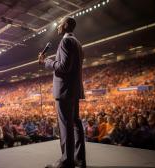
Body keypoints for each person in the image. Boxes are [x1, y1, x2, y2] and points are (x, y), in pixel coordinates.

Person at [39, 16, 86, 168]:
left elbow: (64, 67)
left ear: (66, 25)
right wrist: (53, 59)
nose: (58, 27)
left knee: (66, 126)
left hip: (64, 91)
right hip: (74, 90)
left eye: (59, 24)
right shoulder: (77, 43)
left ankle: (67, 161)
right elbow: (69, 65)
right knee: (75, 124)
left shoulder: (65, 41)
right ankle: (79, 159)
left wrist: (46, 62)